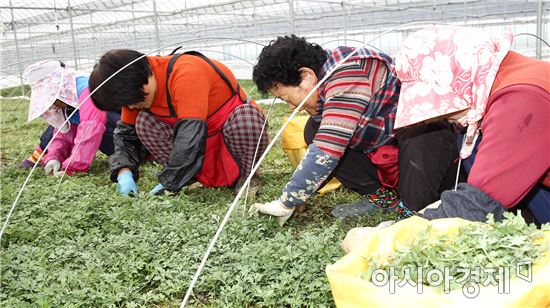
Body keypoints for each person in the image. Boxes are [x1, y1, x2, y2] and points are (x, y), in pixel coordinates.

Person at [248, 35, 463, 225]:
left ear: (306, 77)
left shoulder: (347, 73)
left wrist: (287, 202)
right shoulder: (327, 79)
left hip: (431, 162)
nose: (292, 107)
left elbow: (327, 148)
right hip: (390, 156)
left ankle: (409, 215)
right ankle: (387, 202)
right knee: (312, 130)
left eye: (287, 97)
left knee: (420, 128)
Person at [393, 25, 550, 224]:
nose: (440, 116)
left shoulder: (522, 98)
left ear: (459, 77)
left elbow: (477, 206)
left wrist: (386, 238)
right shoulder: (509, 77)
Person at [88, 49, 269, 196]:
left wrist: (171, 181)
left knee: (247, 118)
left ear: (146, 76)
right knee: (144, 123)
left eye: (134, 101)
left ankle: (248, 176)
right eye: (127, 104)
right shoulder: (135, 90)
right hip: (201, 148)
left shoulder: (187, 72)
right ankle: (192, 179)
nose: (132, 107)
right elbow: (125, 136)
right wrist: (123, 172)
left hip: (229, 139)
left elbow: (190, 137)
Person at [19, 60, 120, 176]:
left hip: (127, 140)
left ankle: (130, 155)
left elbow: (89, 133)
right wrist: (54, 158)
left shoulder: (88, 91)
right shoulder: (67, 97)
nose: (51, 105)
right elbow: (63, 132)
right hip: (111, 139)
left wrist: (71, 168)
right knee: (54, 131)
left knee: (93, 125)